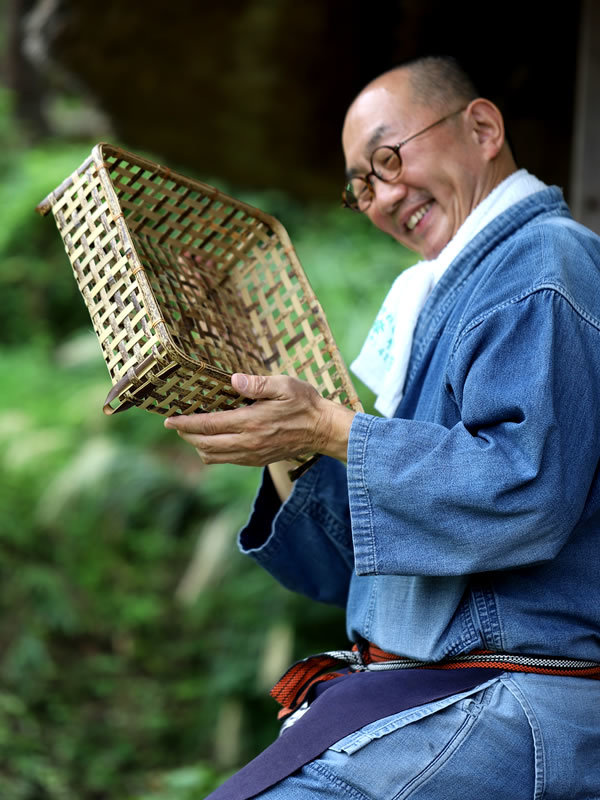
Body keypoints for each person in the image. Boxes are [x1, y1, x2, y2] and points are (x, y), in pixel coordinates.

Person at [165, 56, 600, 799]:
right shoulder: (438, 290)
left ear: (482, 128)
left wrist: (337, 429)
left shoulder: (543, 259)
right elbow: (356, 566)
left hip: (517, 694)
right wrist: (287, 438)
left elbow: (524, 490)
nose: (382, 195)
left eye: (389, 159)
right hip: (434, 693)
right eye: (361, 184)